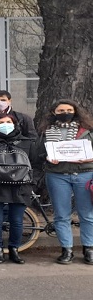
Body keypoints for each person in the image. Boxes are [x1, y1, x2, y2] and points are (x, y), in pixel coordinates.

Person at [0, 113, 41, 264]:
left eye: (8, 121)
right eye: (1, 122)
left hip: (21, 187)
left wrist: (32, 182)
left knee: (17, 220)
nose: (5, 124)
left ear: (15, 124)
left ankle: (14, 250)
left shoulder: (28, 142)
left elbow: (37, 165)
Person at [38, 99, 93, 264]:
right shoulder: (46, 131)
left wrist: (88, 159)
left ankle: (89, 248)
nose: (65, 113)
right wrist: (47, 158)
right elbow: (38, 153)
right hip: (57, 174)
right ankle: (66, 250)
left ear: (75, 111)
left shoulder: (87, 131)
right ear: (54, 113)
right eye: (61, 111)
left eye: (68, 110)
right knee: (61, 215)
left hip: (85, 174)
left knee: (87, 214)